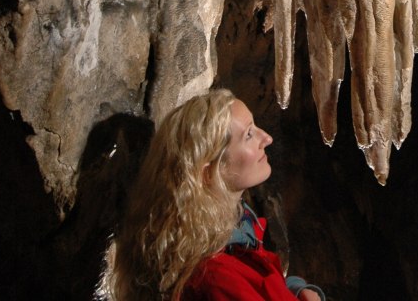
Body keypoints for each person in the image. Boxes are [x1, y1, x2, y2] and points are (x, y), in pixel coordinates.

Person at [108, 89, 324, 301]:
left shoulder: (231, 231)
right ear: (210, 172)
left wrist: (293, 289)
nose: (266, 138)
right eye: (248, 134)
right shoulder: (216, 279)